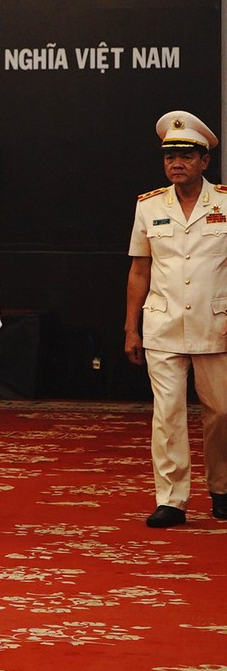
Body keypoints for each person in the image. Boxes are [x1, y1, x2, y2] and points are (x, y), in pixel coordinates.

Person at [125, 111, 227, 528]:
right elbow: (139, 269)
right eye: (170, 157)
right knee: (167, 415)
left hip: (216, 325)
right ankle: (171, 499)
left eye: (186, 156)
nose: (177, 164)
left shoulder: (225, 203)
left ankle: (222, 487)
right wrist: (130, 327)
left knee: (221, 412)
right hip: (163, 324)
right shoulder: (149, 206)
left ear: (205, 161)